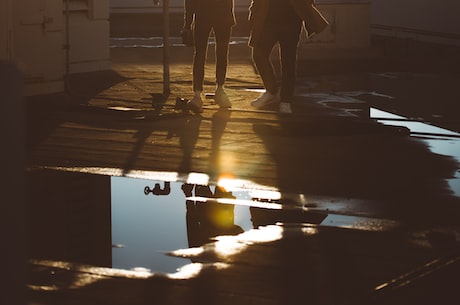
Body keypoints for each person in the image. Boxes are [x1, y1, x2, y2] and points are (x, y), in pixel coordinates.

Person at [248, 0, 328, 113]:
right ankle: (272, 91)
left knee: (288, 61)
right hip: (268, 20)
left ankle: (285, 100)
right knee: (259, 53)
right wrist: (253, 15)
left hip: (291, 22)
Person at [183, 0, 236, 113]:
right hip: (223, 14)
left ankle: (198, 95)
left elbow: (189, 2)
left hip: (203, 14)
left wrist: (187, 23)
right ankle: (220, 89)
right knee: (222, 52)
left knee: (200, 54)